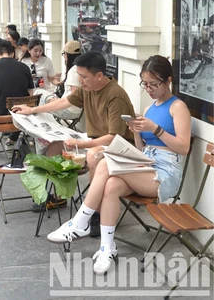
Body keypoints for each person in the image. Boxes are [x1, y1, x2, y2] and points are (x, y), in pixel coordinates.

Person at [46, 56, 191, 275]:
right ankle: (107, 247)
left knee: (103, 163)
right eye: (145, 84)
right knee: (111, 185)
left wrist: (155, 129)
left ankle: (80, 222)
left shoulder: (178, 107)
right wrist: (136, 133)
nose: (149, 89)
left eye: (154, 84)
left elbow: (183, 147)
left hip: (165, 172)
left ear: (168, 81)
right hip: (147, 163)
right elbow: (143, 147)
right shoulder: (150, 106)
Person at [12, 51, 136, 233]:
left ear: (99, 76)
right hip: (93, 139)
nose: (81, 81)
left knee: (94, 155)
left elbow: (114, 137)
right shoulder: (87, 89)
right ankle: (60, 195)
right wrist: (32, 110)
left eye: (84, 77)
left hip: (119, 146)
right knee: (54, 145)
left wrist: (83, 145)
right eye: (79, 77)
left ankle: (96, 213)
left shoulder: (115, 95)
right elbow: (62, 103)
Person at [39, 41, 84, 124]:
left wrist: (57, 102)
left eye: (64, 54)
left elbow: (74, 97)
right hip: (73, 108)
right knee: (45, 95)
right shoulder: (81, 68)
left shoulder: (74, 70)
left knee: (40, 95)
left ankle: (43, 129)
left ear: (67, 55)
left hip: (69, 110)